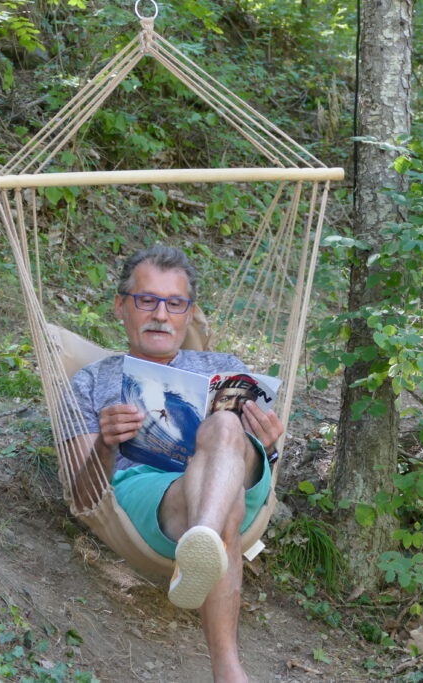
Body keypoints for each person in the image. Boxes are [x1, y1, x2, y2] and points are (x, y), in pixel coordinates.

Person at [63, 245, 282, 683]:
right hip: (150, 494)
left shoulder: (224, 368)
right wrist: (107, 444)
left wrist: (270, 444)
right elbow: (83, 497)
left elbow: (262, 459)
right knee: (226, 507)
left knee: (224, 426)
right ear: (121, 306)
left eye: (174, 303)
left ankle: (199, 546)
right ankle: (228, 669)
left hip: (239, 469)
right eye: (147, 300)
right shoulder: (90, 381)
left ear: (188, 313)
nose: (160, 314)